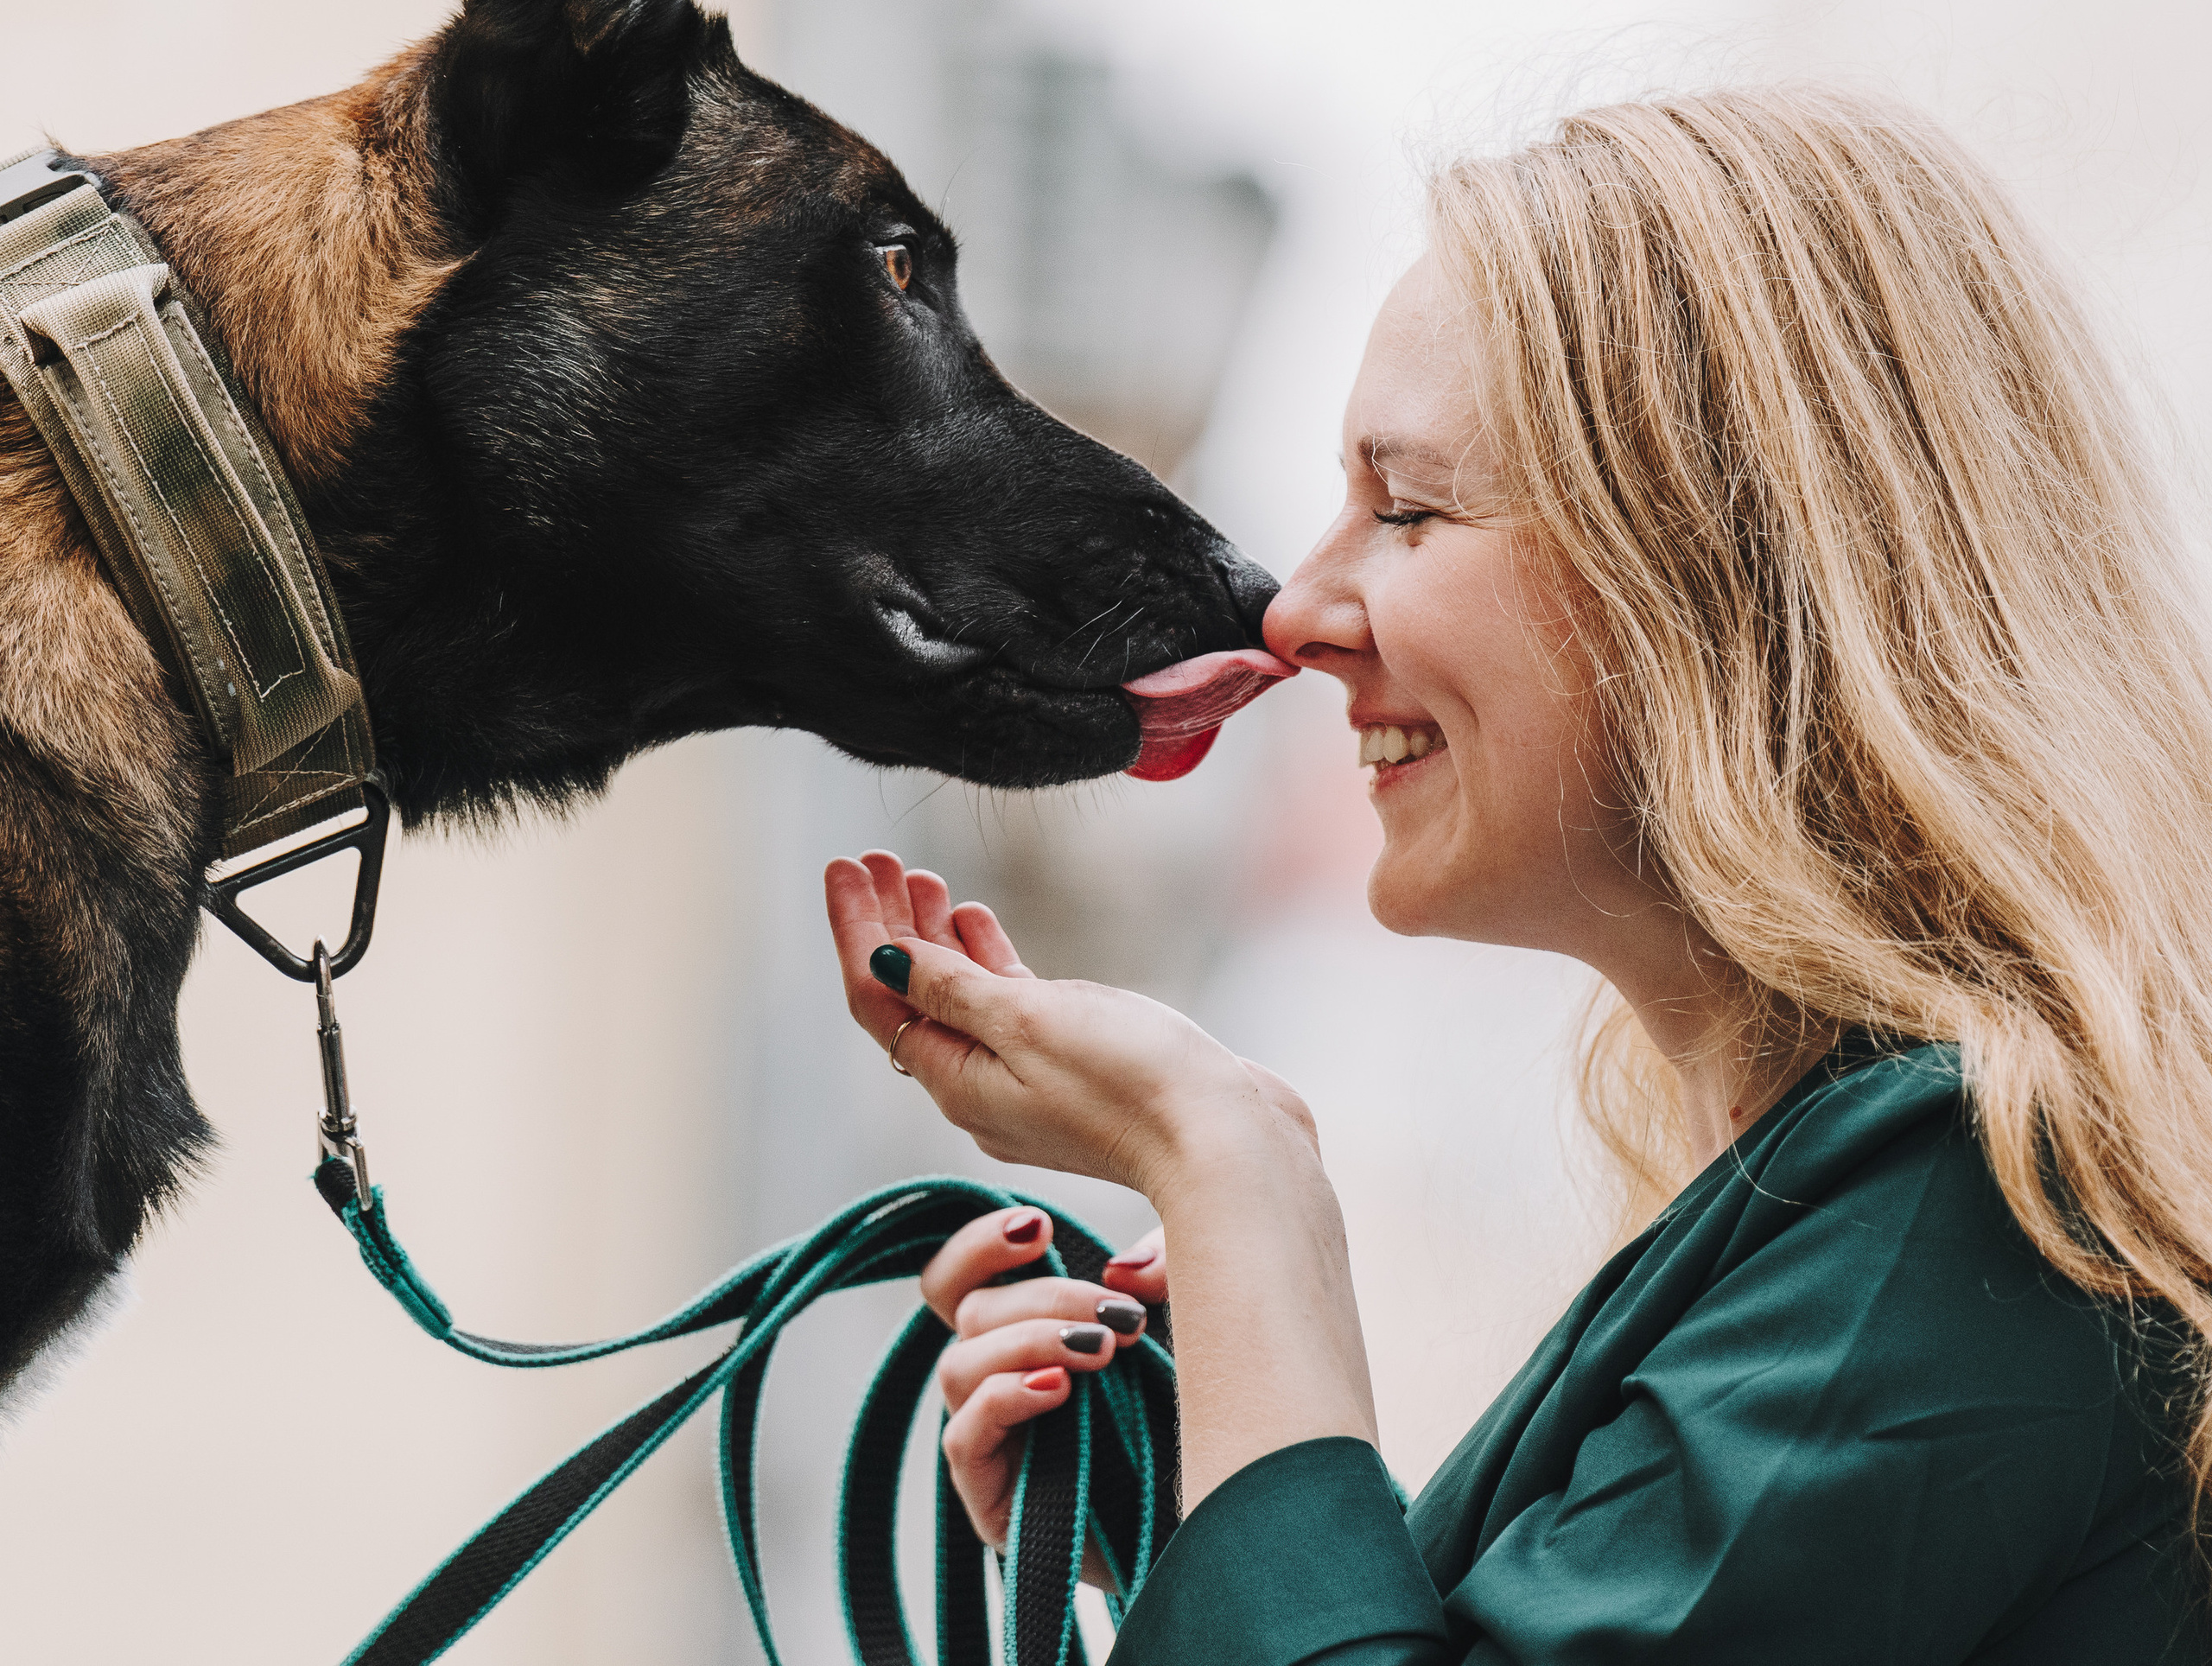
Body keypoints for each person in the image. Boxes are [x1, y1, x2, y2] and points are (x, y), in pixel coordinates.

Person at [823, 87, 2212, 1662]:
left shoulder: (1974, 1196)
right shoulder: (1909, 1189)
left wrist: (1233, 1178)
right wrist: (1208, 1525)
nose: (1296, 610)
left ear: (1717, 572)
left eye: (1405, 506)